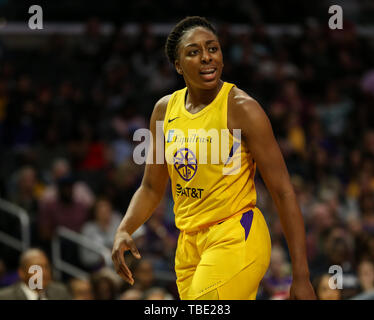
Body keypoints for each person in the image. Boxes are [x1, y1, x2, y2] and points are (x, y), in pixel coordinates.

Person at [112, 16, 316, 300]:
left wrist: (302, 276)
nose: (207, 57)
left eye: (213, 48)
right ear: (178, 65)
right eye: (194, 52)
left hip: (236, 234)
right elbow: (151, 187)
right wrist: (124, 228)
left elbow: (282, 190)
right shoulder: (164, 110)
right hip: (188, 246)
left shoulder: (242, 108)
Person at [0, 248, 71, 300]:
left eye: (46, 267)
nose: (44, 272)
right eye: (37, 268)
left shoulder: (61, 292)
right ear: (22, 273)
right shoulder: (5, 297)